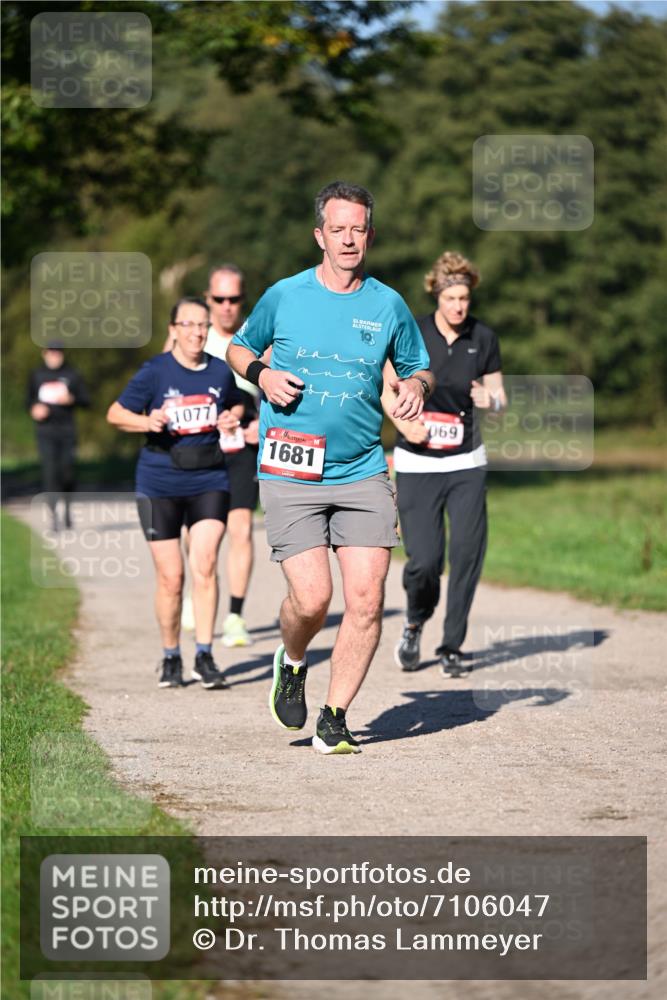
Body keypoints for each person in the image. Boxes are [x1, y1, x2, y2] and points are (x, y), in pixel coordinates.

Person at [227, 181, 434, 755]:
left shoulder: (387, 304)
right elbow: (239, 349)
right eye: (337, 229)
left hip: (363, 468)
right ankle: (292, 661)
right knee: (314, 599)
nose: (348, 239)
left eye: (358, 229)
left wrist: (415, 385)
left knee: (367, 598)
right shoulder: (285, 296)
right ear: (320, 235)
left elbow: (419, 366)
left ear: (370, 234)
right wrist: (262, 375)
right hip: (291, 469)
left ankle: (335, 717)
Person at [107, 297, 243, 689]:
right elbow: (115, 414)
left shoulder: (219, 371)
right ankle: (170, 656)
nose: (198, 332)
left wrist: (233, 416)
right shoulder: (154, 372)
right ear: (173, 330)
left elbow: (236, 406)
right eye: (189, 325)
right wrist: (145, 420)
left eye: (204, 325)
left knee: (205, 563)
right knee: (171, 578)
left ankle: (204, 654)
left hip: (209, 479)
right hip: (158, 483)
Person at [385, 251, 506, 678]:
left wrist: (489, 400)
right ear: (437, 295)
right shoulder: (411, 333)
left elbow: (500, 396)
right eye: (452, 298)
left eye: (465, 299)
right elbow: (387, 385)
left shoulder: (483, 338)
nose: (459, 306)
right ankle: (415, 622)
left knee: (467, 552)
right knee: (424, 562)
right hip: (417, 463)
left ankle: (452, 644)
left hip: (467, 461)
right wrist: (403, 421)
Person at [165, 265, 260, 647]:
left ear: (242, 300)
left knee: (240, 531)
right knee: (196, 533)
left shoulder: (257, 338)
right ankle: (196, 592)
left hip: (242, 450)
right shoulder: (189, 338)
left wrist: (263, 425)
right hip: (198, 450)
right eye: (218, 299)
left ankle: (235, 616)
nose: (226, 307)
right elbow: (163, 386)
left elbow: (279, 388)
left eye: (233, 299)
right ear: (207, 299)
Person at [27, 342, 90, 531]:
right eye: (52, 352)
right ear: (44, 353)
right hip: (45, 432)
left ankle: (68, 509)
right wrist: (34, 409)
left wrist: (71, 399)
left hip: (67, 431)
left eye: (58, 352)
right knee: (50, 473)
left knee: (66, 472)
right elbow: (28, 400)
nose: (55, 356)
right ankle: (54, 515)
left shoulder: (72, 374)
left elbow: (86, 401)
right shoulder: (36, 375)